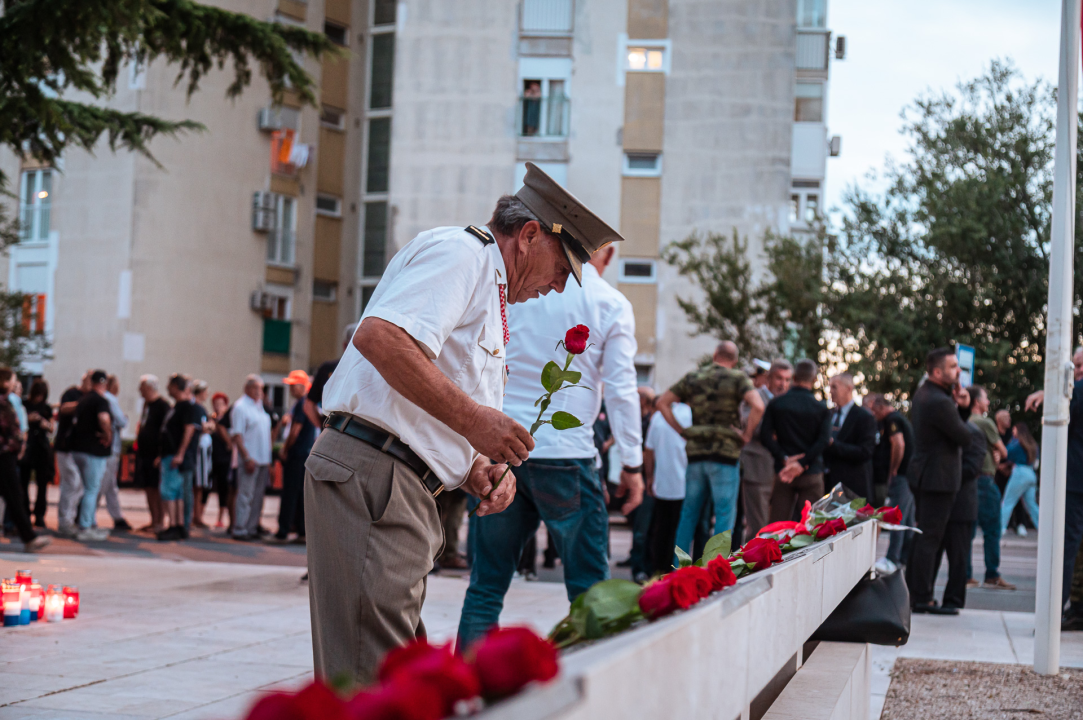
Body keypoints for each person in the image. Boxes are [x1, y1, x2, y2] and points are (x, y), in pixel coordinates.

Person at [308, 163, 614, 683]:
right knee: (374, 682)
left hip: (396, 479)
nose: (559, 287)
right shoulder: (464, 254)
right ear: (530, 236)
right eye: (562, 269)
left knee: (393, 676)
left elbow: (427, 385)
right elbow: (379, 338)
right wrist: (475, 422)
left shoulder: (489, 282)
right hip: (378, 472)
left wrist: (473, 464)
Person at [458, 239, 643, 647]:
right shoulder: (609, 303)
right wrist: (631, 464)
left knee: (485, 587)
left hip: (503, 451)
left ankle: (465, 699)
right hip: (567, 455)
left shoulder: (520, 292)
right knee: (590, 592)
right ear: (606, 254)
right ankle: (593, 694)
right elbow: (621, 390)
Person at [660, 342, 763, 558]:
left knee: (688, 515)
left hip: (696, 453)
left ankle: (678, 568)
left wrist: (683, 431)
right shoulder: (738, 378)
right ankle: (715, 568)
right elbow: (758, 406)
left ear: (715, 355)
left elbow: (662, 402)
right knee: (724, 516)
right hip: (725, 455)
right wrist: (746, 435)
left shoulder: (693, 377)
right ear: (734, 360)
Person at [905, 348, 972, 615]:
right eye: (954, 366)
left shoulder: (927, 395)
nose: (958, 371)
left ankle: (916, 593)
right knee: (930, 538)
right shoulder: (939, 401)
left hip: (928, 476)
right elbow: (964, 437)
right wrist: (963, 408)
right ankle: (921, 597)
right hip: (937, 479)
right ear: (936, 372)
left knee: (925, 537)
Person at [760, 358, 833, 523]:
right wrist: (802, 463)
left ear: (793, 378)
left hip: (783, 472)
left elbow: (765, 436)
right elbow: (823, 441)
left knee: (777, 526)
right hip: (812, 472)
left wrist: (784, 458)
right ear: (814, 380)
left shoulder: (776, 403)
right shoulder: (821, 408)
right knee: (811, 526)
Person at [931, 413, 986, 611]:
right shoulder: (940, 432)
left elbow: (973, 467)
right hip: (939, 504)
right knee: (932, 554)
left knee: (958, 559)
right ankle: (925, 596)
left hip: (961, 505)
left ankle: (953, 601)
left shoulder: (973, 433)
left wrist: (944, 473)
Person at [965, 386, 1014, 590]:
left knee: (967, 530)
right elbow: (1003, 452)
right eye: (985, 399)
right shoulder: (985, 422)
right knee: (993, 529)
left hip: (968, 480)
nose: (988, 402)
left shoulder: (965, 421)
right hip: (985, 480)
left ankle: (966, 574)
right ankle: (992, 574)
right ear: (977, 401)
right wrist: (996, 454)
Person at [738, 361, 791, 542]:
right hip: (757, 468)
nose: (782, 384)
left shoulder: (789, 400)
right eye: (778, 378)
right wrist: (775, 431)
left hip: (782, 473)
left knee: (778, 528)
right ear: (768, 378)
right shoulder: (754, 397)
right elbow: (748, 424)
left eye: (787, 379)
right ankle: (752, 567)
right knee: (757, 528)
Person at [0, 368, 49, 552]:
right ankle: (29, 538)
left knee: (14, 496)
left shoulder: (5, 402)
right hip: (4, 455)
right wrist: (17, 445)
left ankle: (29, 537)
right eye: (12, 380)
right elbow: (10, 429)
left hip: (7, 454)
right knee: (14, 496)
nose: (14, 384)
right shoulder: (3, 403)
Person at [867, 394, 915, 574]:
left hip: (902, 475)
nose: (873, 414)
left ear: (880, 407)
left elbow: (898, 444)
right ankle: (904, 557)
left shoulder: (891, 420)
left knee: (896, 517)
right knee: (907, 518)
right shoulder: (901, 418)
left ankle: (892, 558)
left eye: (874, 409)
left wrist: (893, 469)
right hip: (910, 476)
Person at [644, 402, 692, 575]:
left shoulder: (658, 417)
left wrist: (649, 477)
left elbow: (649, 450)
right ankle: (677, 569)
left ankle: (658, 569)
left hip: (662, 483)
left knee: (661, 530)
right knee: (680, 531)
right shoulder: (690, 414)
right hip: (685, 484)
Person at [69, 370, 114, 542]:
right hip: (93, 451)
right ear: (104, 383)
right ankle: (85, 527)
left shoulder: (84, 399)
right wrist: (108, 434)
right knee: (91, 489)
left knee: (86, 488)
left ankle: (90, 523)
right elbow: (104, 418)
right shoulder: (101, 400)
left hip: (78, 449)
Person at [158, 374, 201, 541]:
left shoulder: (186, 407)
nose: (168, 388)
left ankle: (175, 525)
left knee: (171, 491)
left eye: (170, 385)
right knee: (175, 492)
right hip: (171, 455)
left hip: (175, 457)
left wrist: (180, 454)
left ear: (176, 387)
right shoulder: (179, 406)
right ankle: (178, 525)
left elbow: (189, 430)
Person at [273, 370, 315, 543]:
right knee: (300, 494)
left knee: (290, 493)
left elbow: (295, 431)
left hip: (297, 454)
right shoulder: (309, 404)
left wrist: (284, 449)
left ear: (301, 386)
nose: (290, 389)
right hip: (305, 455)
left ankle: (283, 530)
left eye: (292, 385)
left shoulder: (301, 404)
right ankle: (301, 530)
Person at [231, 375, 273, 541]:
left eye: (261, 389)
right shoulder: (241, 407)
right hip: (250, 458)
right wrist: (246, 457)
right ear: (247, 388)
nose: (259, 392)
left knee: (257, 496)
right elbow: (237, 435)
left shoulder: (260, 407)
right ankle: (240, 528)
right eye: (255, 388)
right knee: (245, 494)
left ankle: (251, 527)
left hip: (263, 459)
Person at [822, 373, 876, 502]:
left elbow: (865, 451)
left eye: (835, 387)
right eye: (830, 387)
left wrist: (833, 445)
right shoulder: (828, 414)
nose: (831, 391)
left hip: (853, 487)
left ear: (849, 388)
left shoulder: (864, 417)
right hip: (829, 486)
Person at [55, 370, 91, 537]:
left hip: (78, 448)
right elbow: (63, 409)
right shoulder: (72, 393)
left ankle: (69, 519)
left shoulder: (90, 398)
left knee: (78, 486)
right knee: (72, 482)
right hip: (65, 447)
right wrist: (83, 403)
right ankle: (65, 521)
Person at [134, 375, 170, 533]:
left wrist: (161, 454)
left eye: (142, 387)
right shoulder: (146, 405)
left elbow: (167, 432)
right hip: (145, 453)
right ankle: (153, 519)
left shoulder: (162, 406)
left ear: (149, 387)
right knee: (148, 487)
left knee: (157, 488)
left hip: (156, 454)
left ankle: (160, 521)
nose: (139, 390)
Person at [98, 374, 131, 531]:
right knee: (103, 483)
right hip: (111, 447)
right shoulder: (110, 398)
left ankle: (117, 517)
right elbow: (121, 420)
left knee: (109, 484)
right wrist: (125, 418)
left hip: (108, 447)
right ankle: (86, 516)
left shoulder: (105, 397)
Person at [20, 379, 54, 529]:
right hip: (27, 446)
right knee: (23, 482)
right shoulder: (24, 405)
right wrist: (28, 419)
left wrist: (44, 423)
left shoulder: (46, 408)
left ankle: (40, 514)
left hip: (41, 447)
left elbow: (52, 427)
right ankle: (25, 512)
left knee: (42, 483)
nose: (39, 398)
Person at [999, 423, 1040, 534]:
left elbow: (1006, 452)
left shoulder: (1017, 443)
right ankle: (1043, 528)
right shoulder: (1033, 445)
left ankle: (1000, 528)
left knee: (1008, 501)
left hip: (1020, 472)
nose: (1012, 432)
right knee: (1032, 505)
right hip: (1031, 473)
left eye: (1014, 430)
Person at [209, 392, 233, 530]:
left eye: (220, 403)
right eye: (215, 404)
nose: (217, 406)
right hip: (213, 457)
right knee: (211, 486)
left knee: (225, 488)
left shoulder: (228, 419)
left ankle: (222, 517)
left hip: (226, 457)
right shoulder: (211, 419)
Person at [190, 380, 213, 529]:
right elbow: (204, 427)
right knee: (197, 484)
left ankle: (197, 515)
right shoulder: (195, 407)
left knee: (201, 485)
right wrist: (209, 427)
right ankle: (195, 516)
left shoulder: (201, 408)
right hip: (199, 451)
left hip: (203, 450)